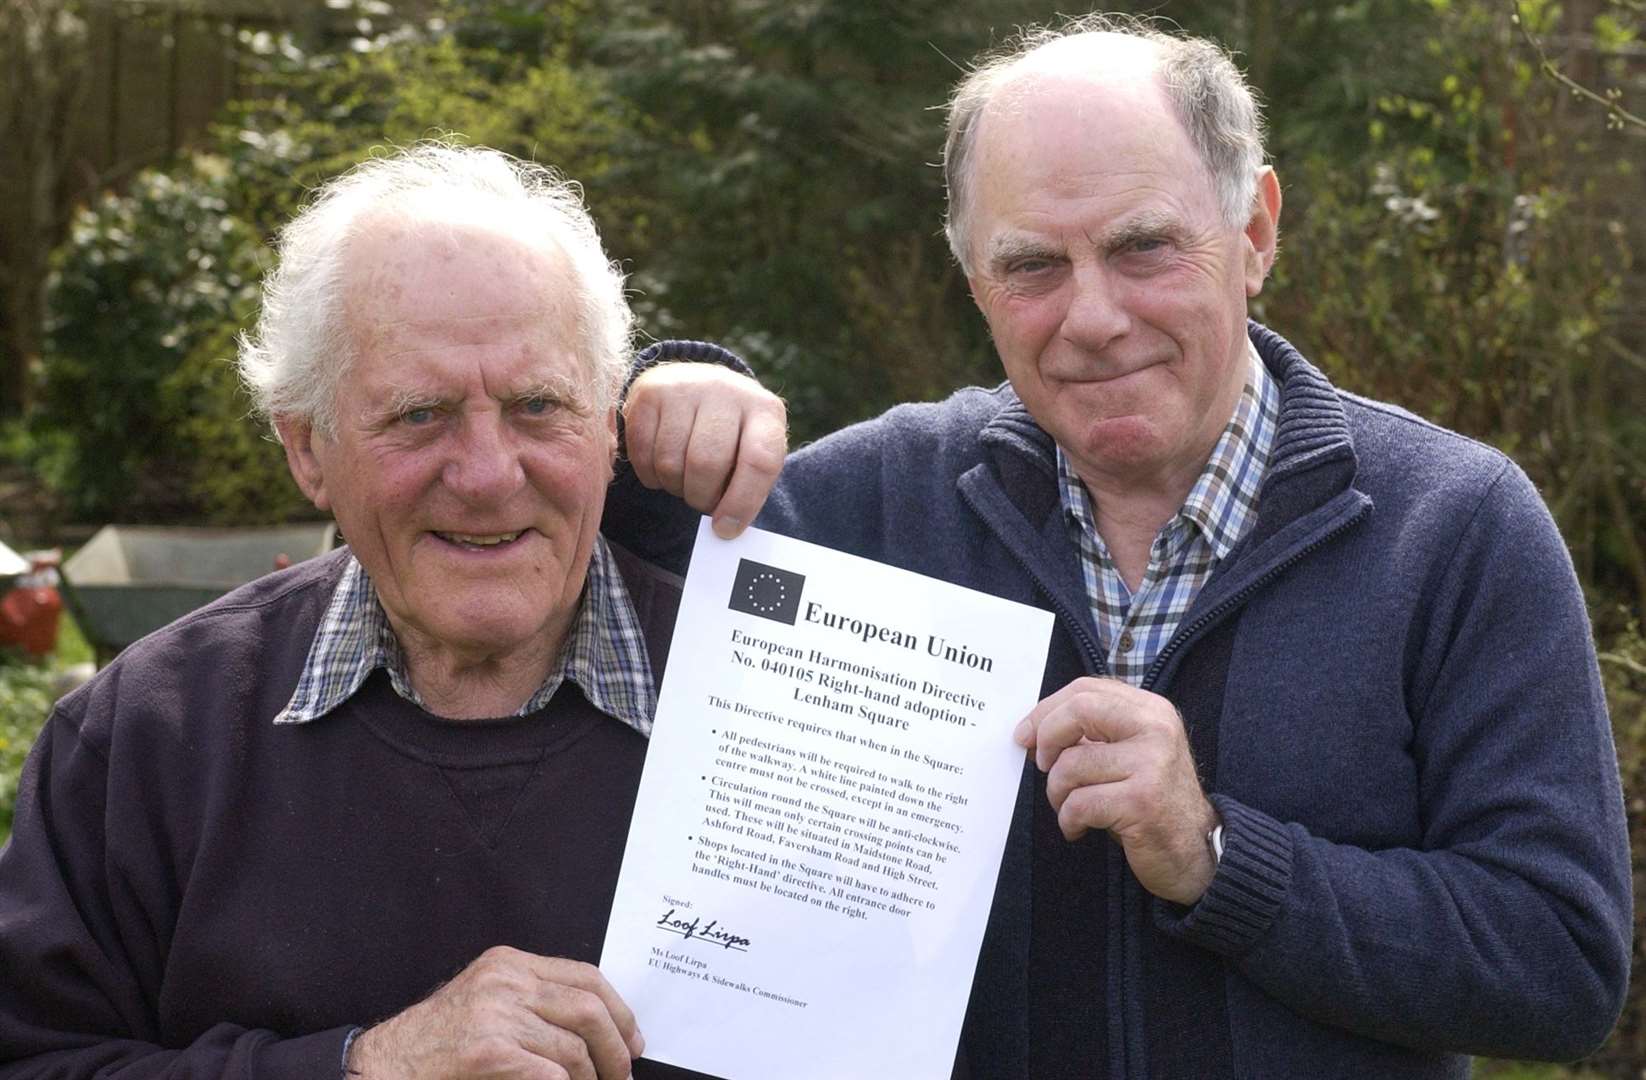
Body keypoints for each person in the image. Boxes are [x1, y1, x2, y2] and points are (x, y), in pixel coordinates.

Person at [615, 15, 1633, 1078]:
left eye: (1142, 247)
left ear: (1254, 233)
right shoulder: (863, 507)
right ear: (973, 281)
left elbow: (1558, 967)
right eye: (1031, 265)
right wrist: (654, 416)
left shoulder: (1453, 528)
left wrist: (1216, 858)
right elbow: (589, 601)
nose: (1092, 316)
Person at [0, 143, 781, 1079]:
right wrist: (365, 1066)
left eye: (539, 405)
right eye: (420, 415)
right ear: (306, 450)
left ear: (610, 428)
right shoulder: (149, 736)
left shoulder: (782, 708)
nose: (490, 475)